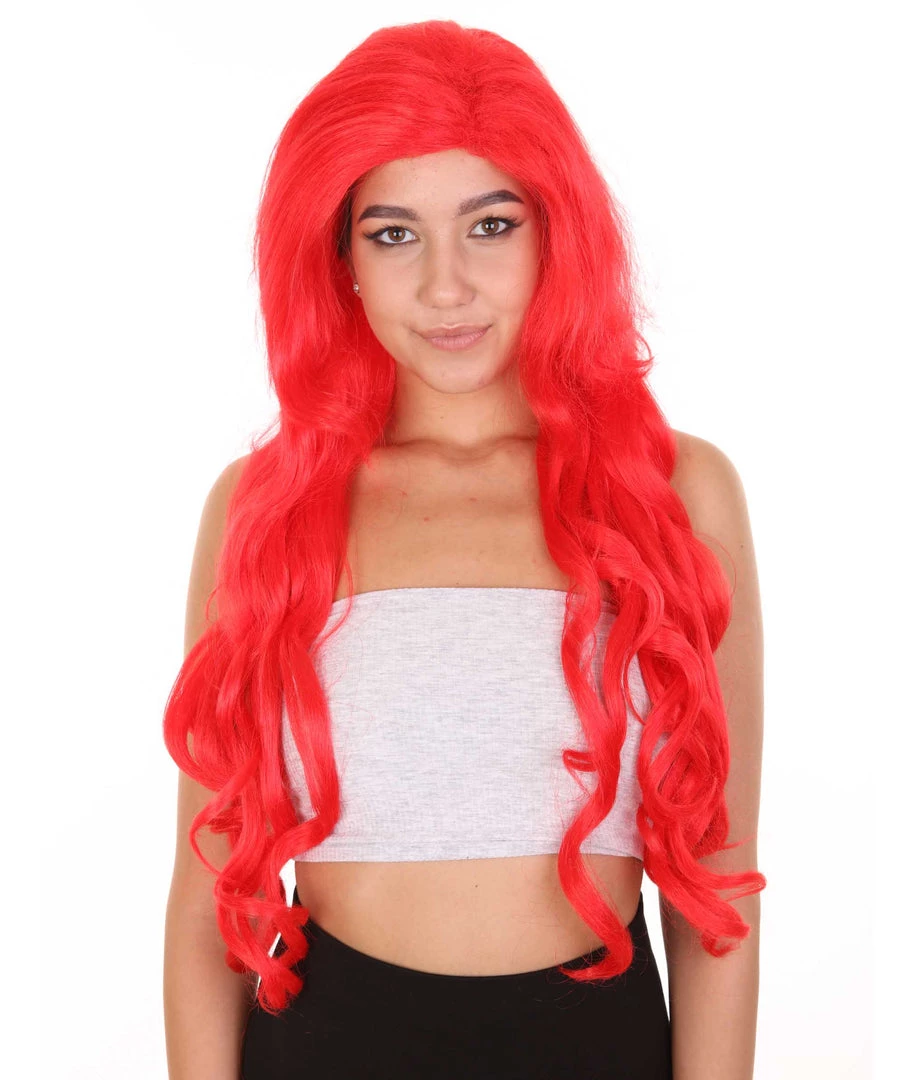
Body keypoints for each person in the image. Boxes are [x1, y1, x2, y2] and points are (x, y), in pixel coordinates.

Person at [162, 19, 766, 1080]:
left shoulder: (674, 494)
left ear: (554, 233)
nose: (445, 286)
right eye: (393, 234)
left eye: (489, 225)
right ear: (339, 258)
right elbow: (208, 892)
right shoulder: (266, 506)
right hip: (326, 1049)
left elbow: (717, 894)